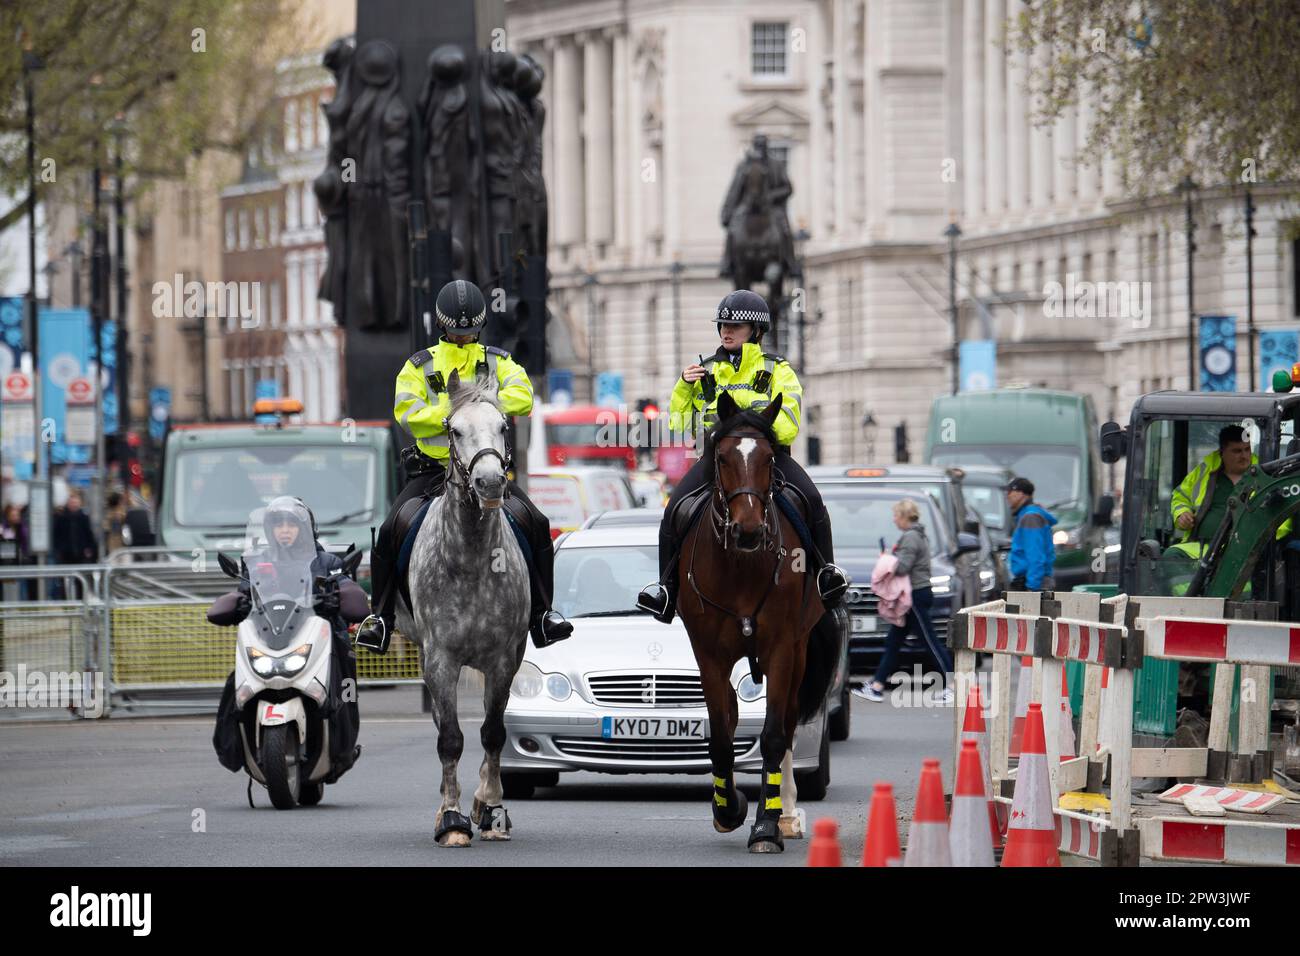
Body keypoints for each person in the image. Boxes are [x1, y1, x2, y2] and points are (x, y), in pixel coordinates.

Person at [354, 279, 573, 653]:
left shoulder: (497, 361)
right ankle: (382, 618)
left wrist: (483, 406)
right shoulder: (418, 365)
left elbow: (522, 396)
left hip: (486, 470)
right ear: (443, 327)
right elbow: (407, 413)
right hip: (433, 472)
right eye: (457, 332)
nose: (463, 338)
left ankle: (542, 613)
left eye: (469, 331)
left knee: (535, 522)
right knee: (390, 529)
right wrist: (451, 411)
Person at [636, 289, 848, 623]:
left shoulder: (778, 370)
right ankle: (666, 588)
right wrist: (682, 387)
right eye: (722, 324)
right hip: (716, 460)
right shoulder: (703, 370)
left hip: (767, 458)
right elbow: (680, 423)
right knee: (674, 508)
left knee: (812, 499)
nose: (726, 331)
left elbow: (789, 421)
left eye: (736, 326)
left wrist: (750, 430)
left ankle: (826, 574)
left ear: (757, 331)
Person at [208, 496, 369, 778]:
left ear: (305, 528)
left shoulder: (326, 561)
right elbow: (246, 591)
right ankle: (231, 747)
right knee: (235, 681)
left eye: (291, 524)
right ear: (269, 530)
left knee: (344, 676)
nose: (284, 530)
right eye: (278, 524)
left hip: (318, 636)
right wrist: (238, 601)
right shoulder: (257, 562)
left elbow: (345, 586)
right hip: (270, 635)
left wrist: (340, 596)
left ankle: (343, 747)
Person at [855, 498, 953, 703]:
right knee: (894, 641)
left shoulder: (910, 537)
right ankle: (877, 685)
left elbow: (903, 567)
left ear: (903, 516)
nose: (893, 520)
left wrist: (886, 560)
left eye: (895, 516)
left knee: (929, 642)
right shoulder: (918, 535)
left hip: (915, 595)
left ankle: (952, 686)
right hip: (917, 594)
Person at [1172, 425, 1254, 546]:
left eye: (1247, 450)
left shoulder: (1264, 474)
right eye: (1237, 451)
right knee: (1172, 556)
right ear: (1222, 452)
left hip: (1245, 550)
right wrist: (1182, 514)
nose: (1244, 456)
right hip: (1200, 547)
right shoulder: (1204, 472)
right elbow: (1180, 496)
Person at [1006, 477, 1057, 592]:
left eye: (1010, 491)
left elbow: (1036, 555)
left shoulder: (1030, 517)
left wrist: (1032, 588)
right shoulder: (1027, 515)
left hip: (1033, 584)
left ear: (1021, 494)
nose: (1007, 496)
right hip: (1032, 581)